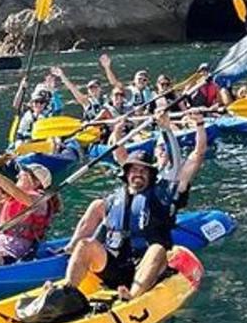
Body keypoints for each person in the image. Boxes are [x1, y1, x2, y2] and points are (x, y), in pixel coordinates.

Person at [57, 110, 207, 302]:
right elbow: (120, 154)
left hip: (148, 266)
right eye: (134, 170)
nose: (138, 173)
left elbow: (197, 155)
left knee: (157, 249)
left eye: (143, 171)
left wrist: (193, 126)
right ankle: (67, 291)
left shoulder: (164, 192)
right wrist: (117, 131)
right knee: (85, 245)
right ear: (126, 174)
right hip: (116, 264)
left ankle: (132, 298)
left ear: (151, 174)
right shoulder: (119, 196)